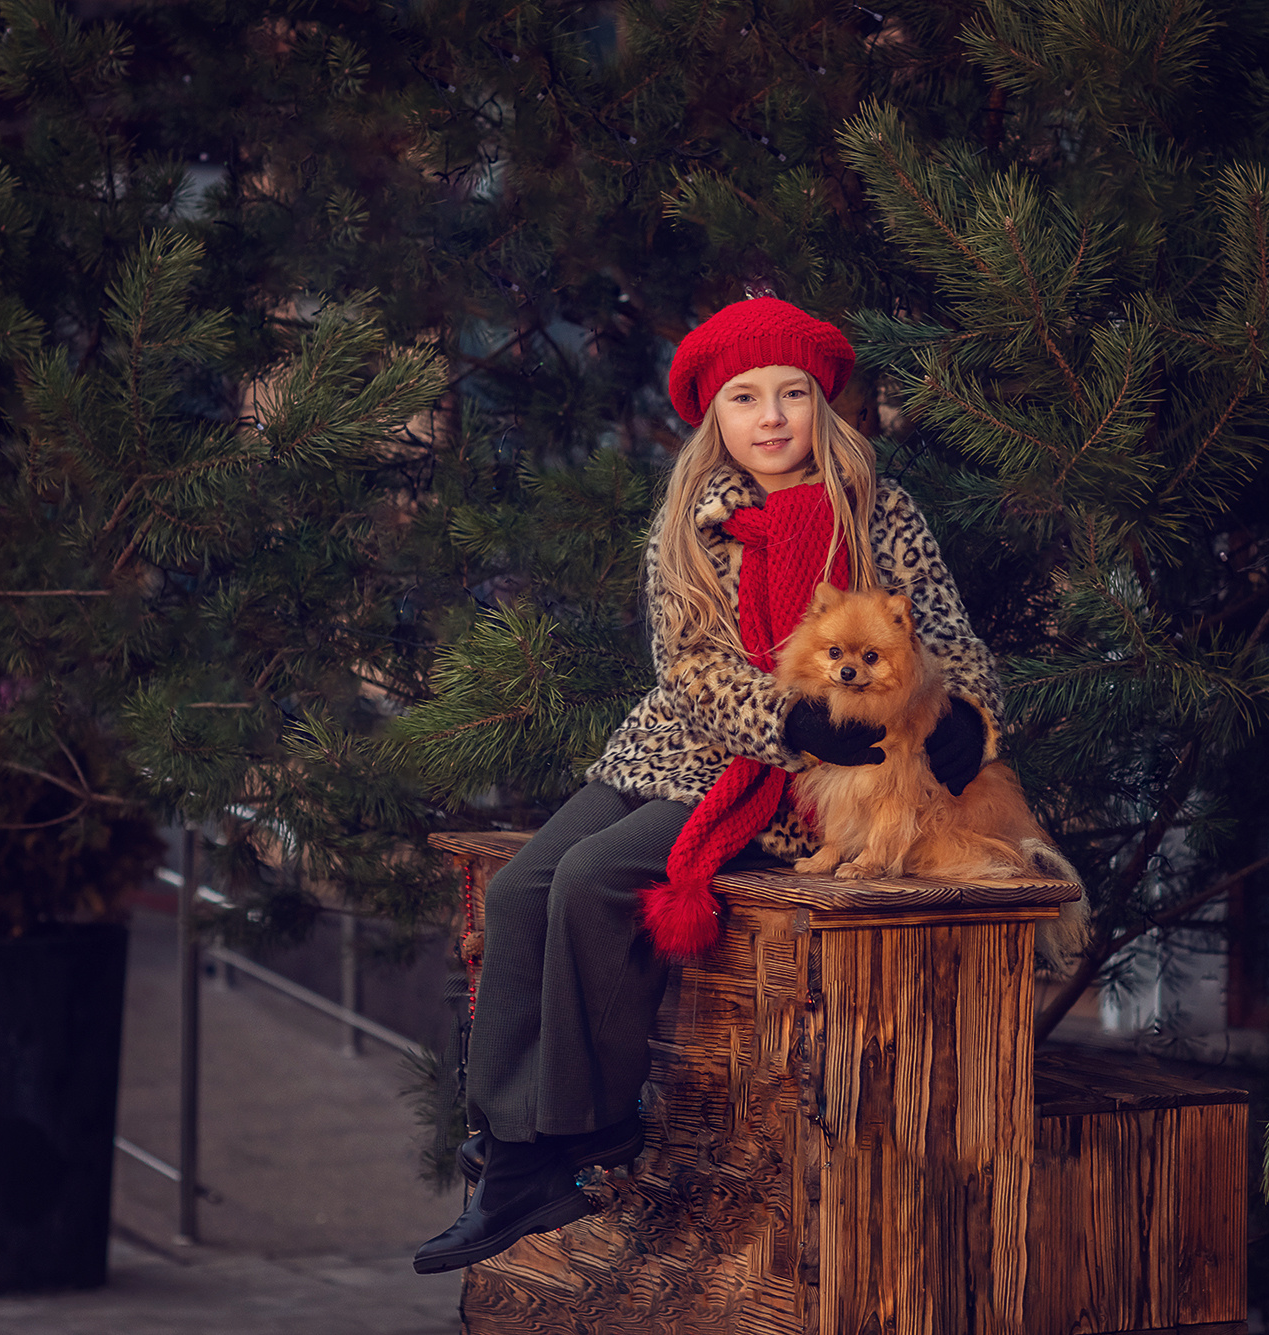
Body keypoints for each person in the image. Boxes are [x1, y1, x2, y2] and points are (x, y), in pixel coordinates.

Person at [412, 296, 1005, 1275]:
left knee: (597, 879)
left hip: (805, 779)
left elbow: (944, 632)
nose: (770, 417)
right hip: (693, 738)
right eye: (744, 397)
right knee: (520, 888)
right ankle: (513, 1143)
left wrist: (966, 715)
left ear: (822, 404)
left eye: (791, 394)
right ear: (713, 415)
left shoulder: (877, 512)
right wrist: (782, 716)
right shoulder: (692, 521)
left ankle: (580, 1131)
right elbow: (687, 663)